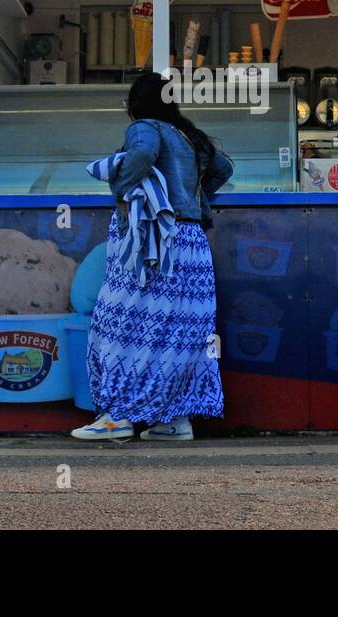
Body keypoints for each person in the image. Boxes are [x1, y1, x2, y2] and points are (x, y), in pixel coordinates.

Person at [73, 71, 234, 442]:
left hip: (154, 243)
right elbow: (223, 168)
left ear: (135, 104)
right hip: (192, 245)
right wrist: (192, 199)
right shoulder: (187, 135)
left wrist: (122, 186)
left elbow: (143, 153)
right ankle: (174, 422)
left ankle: (117, 417)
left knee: (117, 326)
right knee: (177, 336)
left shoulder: (144, 127)